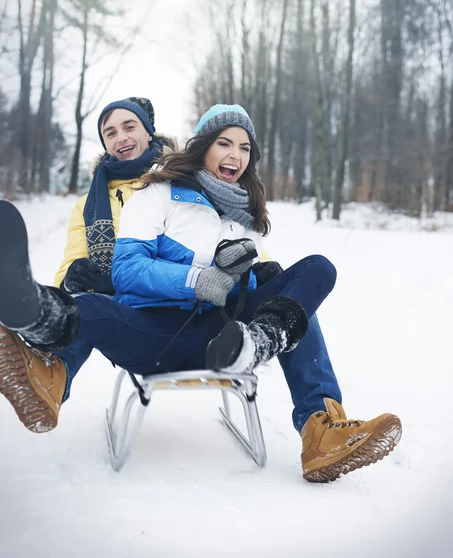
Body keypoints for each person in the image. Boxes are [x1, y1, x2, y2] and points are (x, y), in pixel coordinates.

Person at [0, 104, 402, 483]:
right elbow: (126, 269)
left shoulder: (245, 218)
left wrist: (257, 278)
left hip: (225, 341)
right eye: (225, 143)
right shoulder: (156, 194)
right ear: (203, 147)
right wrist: (198, 279)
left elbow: (246, 291)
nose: (236, 154)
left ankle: (321, 429)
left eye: (244, 147)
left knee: (311, 280)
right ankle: (41, 360)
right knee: (91, 306)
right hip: (155, 334)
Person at [54, 96, 176, 296]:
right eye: (110, 133)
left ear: (148, 133)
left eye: (129, 128)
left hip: (169, 301)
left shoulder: (178, 183)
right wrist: (71, 279)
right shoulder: (86, 206)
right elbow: (69, 265)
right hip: (107, 304)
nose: (121, 138)